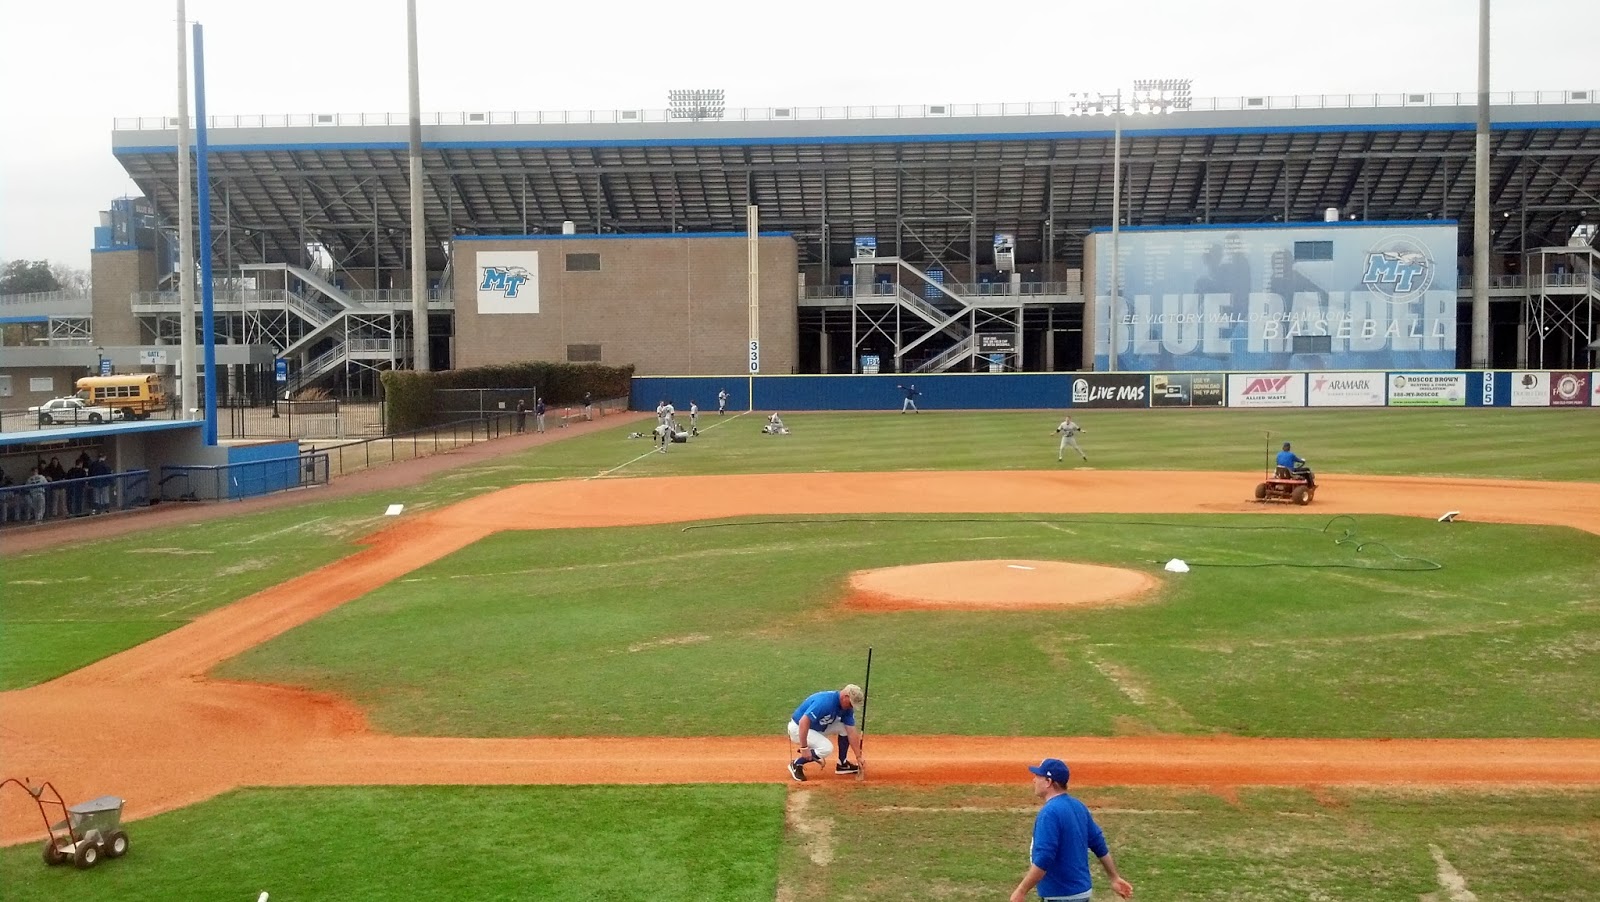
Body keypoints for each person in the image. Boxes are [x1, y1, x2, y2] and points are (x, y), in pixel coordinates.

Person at [1009, 758, 1133, 902]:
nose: (1034, 780)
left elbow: (1044, 857)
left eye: (1038, 776)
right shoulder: (1078, 806)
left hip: (1060, 896)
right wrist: (1114, 877)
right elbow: (1099, 844)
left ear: (1048, 782)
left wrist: (1021, 890)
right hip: (1082, 893)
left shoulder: (1049, 813)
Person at [787, 684, 865, 781]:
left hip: (817, 726)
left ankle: (842, 764)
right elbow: (803, 722)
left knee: (844, 727)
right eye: (850, 704)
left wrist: (858, 756)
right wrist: (804, 747)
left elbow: (851, 731)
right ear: (845, 696)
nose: (850, 707)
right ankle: (797, 763)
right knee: (826, 748)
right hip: (798, 728)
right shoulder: (825, 702)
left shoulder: (846, 708)